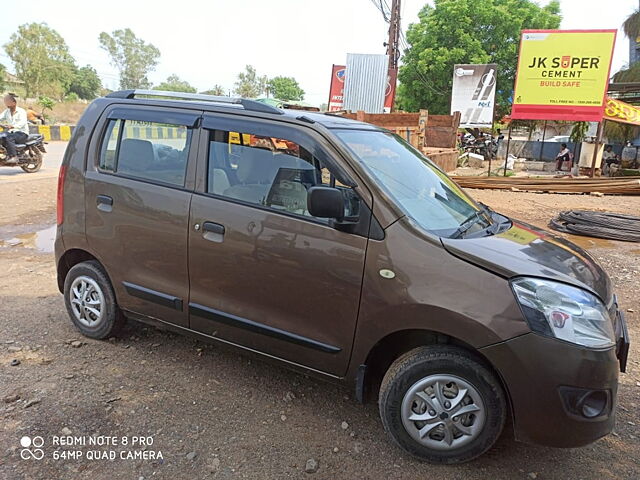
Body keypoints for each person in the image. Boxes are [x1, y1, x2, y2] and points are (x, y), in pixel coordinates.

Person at [0, 93, 30, 164]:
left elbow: (22, 122)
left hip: (22, 133)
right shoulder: (6, 112)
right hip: (12, 132)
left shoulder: (21, 111)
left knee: (9, 137)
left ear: (14, 103)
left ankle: (13, 157)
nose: (7, 103)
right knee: (1, 136)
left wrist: (13, 126)